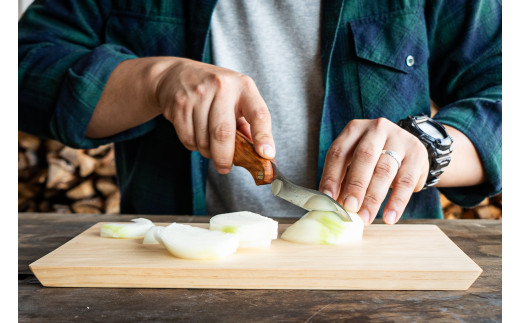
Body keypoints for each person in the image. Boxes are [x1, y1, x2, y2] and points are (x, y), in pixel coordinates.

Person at [18, 0, 502, 225]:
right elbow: (23, 67)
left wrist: (426, 149)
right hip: (170, 279)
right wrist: (154, 80)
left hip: (384, 278)